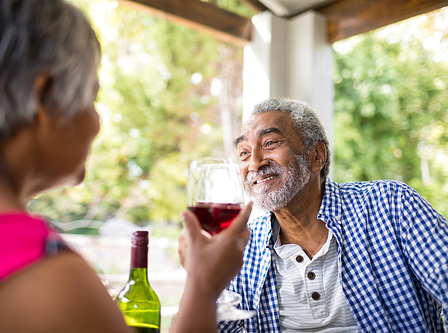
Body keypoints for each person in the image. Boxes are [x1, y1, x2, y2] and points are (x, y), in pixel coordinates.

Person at [0, 0, 252, 332]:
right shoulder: (45, 281)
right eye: (93, 98)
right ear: (45, 96)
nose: (96, 123)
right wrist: (205, 286)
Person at [179, 96, 448, 332]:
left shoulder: (391, 205)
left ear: (316, 156)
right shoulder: (240, 246)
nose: (254, 162)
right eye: (244, 153)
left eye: (270, 142)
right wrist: (198, 278)